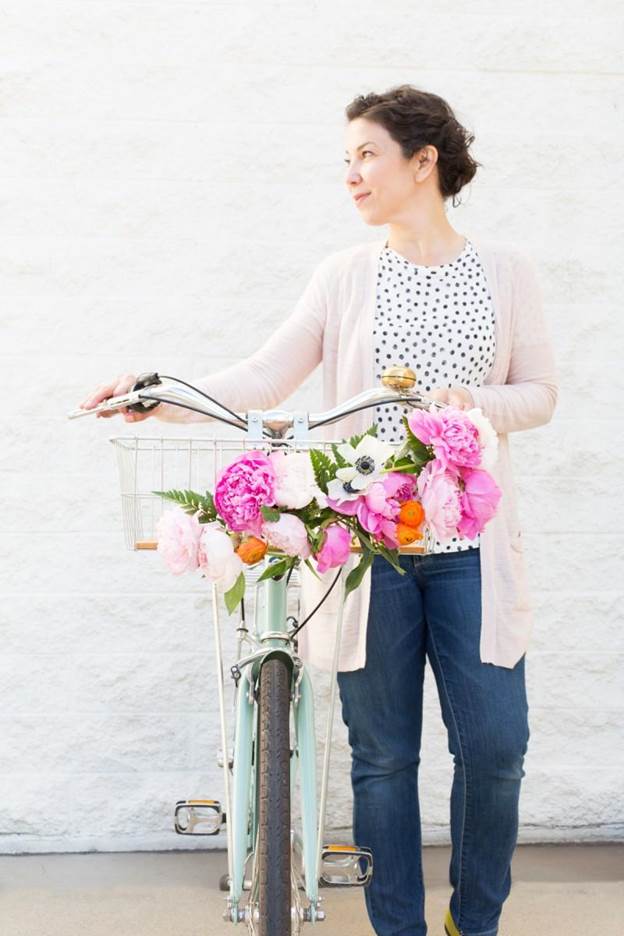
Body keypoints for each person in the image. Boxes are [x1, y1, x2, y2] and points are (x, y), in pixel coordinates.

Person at [79, 84, 558, 936]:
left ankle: (473, 922)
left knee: (495, 749)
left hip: (471, 548)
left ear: (424, 163)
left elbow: (541, 394)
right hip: (366, 551)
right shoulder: (344, 277)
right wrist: (162, 392)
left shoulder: (507, 273)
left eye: (368, 154)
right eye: (346, 159)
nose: (352, 174)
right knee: (382, 760)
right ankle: (400, 931)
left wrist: (471, 402)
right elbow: (265, 379)